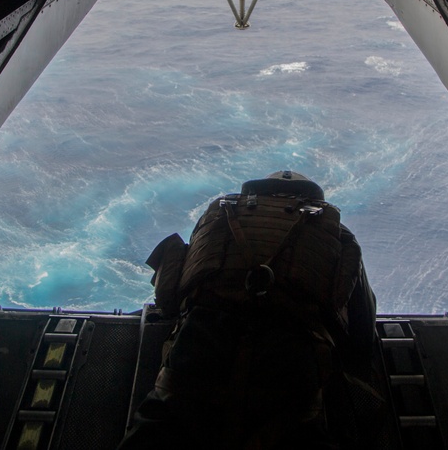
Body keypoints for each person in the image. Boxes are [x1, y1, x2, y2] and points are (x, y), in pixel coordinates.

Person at [118, 171, 378, 450]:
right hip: (288, 372)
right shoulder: (336, 232)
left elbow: (169, 299)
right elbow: (362, 338)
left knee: (159, 427)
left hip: (197, 353)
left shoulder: (218, 216)